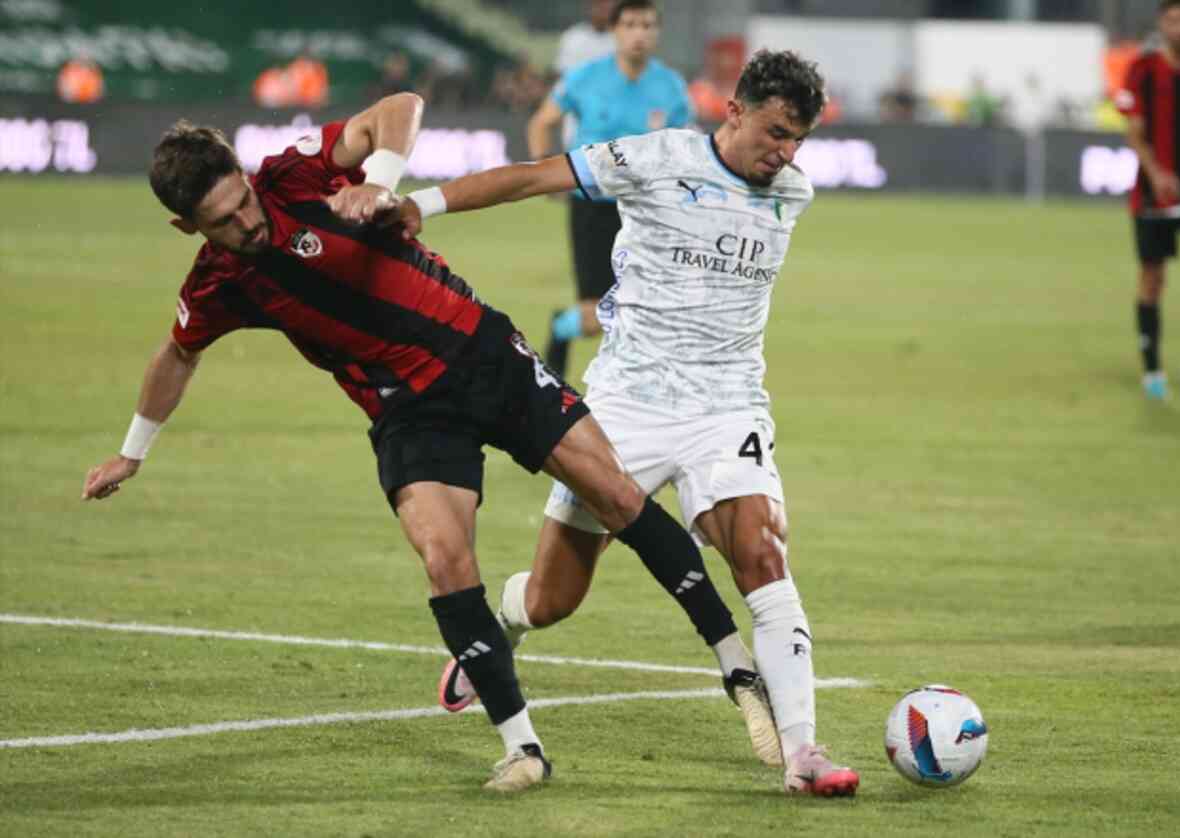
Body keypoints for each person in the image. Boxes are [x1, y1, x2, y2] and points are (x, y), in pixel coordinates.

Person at [79, 92, 751, 793]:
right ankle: (522, 748)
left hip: (481, 352)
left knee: (616, 493)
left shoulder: (296, 175)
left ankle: (736, 663)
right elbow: (178, 353)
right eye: (222, 220)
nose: (247, 221)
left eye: (242, 200)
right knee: (444, 558)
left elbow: (398, 106)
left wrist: (379, 179)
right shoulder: (219, 283)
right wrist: (132, 451)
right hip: (408, 410)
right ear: (185, 226)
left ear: (247, 177)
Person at [397, 49, 860, 797]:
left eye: (799, 139)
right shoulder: (655, 159)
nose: (785, 153)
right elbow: (533, 176)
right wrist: (424, 204)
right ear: (734, 111)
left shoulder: (792, 193)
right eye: (775, 132)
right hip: (626, 407)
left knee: (763, 553)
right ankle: (506, 627)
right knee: (553, 599)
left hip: (726, 406)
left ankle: (803, 752)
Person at [526, 0, 691, 378]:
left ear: (657, 32)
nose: (639, 33)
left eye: (647, 25)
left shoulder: (671, 88)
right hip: (593, 207)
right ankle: (562, 326)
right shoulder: (584, 78)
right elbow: (542, 121)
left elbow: (684, 146)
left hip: (647, 211)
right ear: (615, 31)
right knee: (594, 317)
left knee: (650, 308)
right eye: (630, 24)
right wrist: (543, 170)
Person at [1116, 0, 1180, 402]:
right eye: (1174, 19)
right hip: (1153, 194)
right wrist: (1158, 173)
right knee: (1152, 278)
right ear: (1162, 24)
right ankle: (1153, 370)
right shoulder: (1143, 70)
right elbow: (1134, 132)